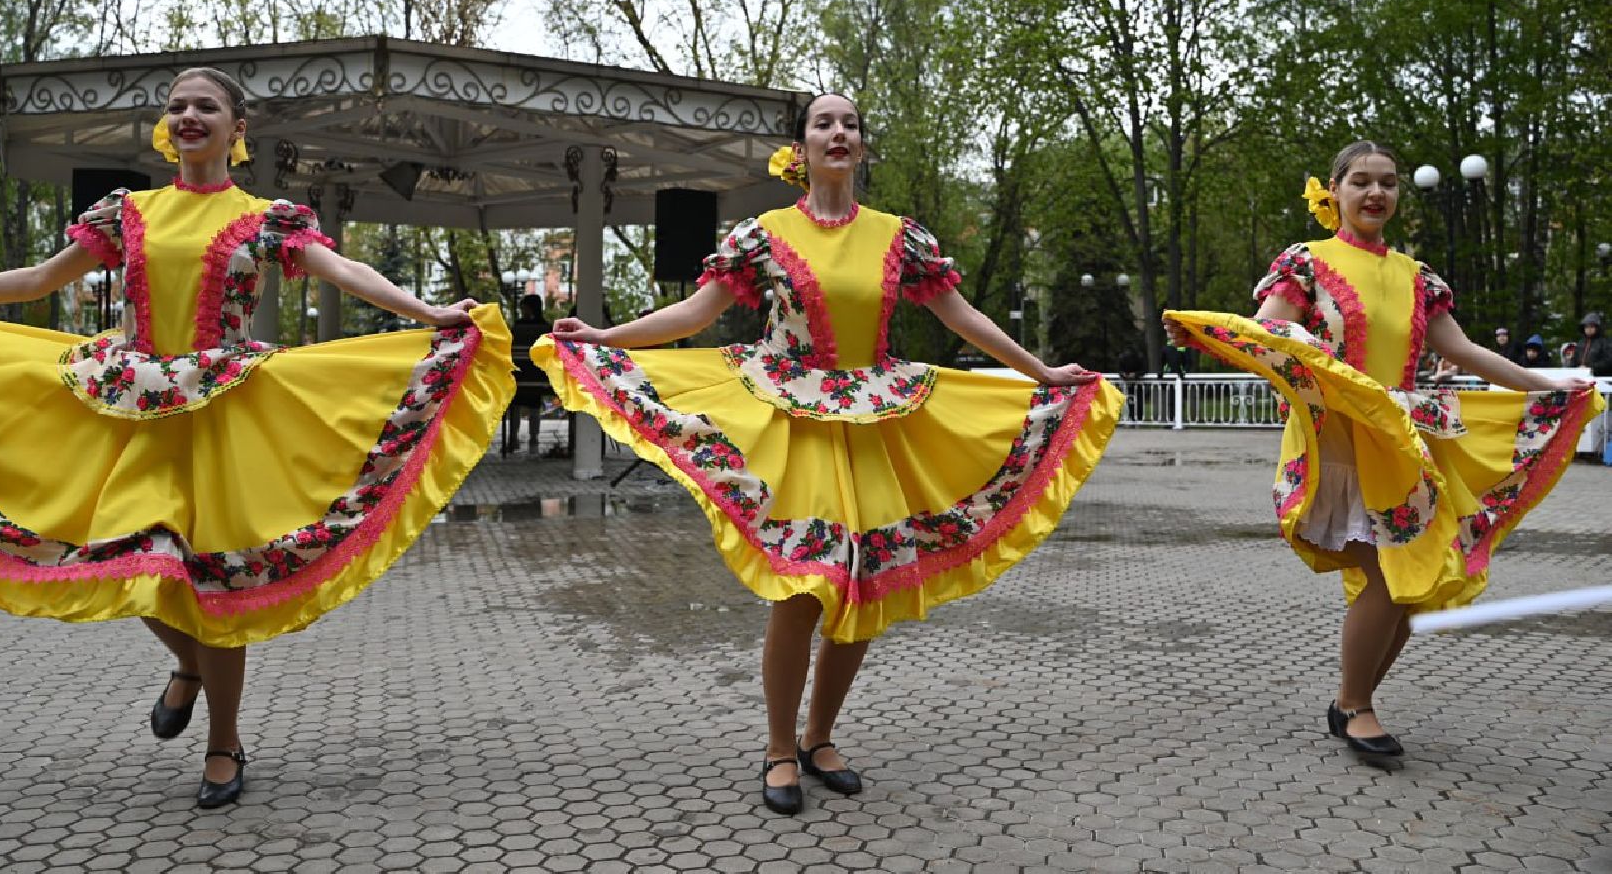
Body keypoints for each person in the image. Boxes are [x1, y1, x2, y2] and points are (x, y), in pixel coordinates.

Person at [534, 94, 1123, 815]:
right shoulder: (761, 234)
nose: (837, 133)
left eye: (848, 124)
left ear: (861, 147)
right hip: (789, 418)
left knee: (864, 584)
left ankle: (820, 738)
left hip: (875, 419)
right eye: (822, 123)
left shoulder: (899, 237)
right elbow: (698, 313)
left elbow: (960, 317)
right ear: (801, 148)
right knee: (804, 588)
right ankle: (779, 748)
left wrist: (1040, 373)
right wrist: (605, 337)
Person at [0, 67, 514, 808]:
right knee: (123, 564)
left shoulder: (266, 217)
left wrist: (427, 311)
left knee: (210, 579)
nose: (188, 116)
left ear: (238, 129)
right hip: (134, 407)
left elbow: (344, 270)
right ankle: (193, 669)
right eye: (177, 107)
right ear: (165, 127)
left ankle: (223, 742)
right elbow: (42, 279)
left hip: (224, 413)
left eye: (206, 106)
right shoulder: (127, 212)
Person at [1163, 140, 1600, 761]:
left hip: (1406, 439)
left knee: (1412, 583)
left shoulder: (1417, 277)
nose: (1376, 194)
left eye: (1388, 183)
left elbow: (1467, 353)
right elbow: (1267, 329)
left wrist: (1549, 384)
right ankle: (1356, 706)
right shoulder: (1306, 263)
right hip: (1341, 440)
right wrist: (1215, 333)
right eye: (1362, 181)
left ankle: (1351, 700)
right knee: (1386, 576)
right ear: (1334, 191)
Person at [505, 293, 553, 453]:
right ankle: (534, 438)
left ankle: (513, 438)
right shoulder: (546, 328)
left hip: (519, 377)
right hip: (540, 378)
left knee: (515, 404)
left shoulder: (517, 328)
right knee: (534, 405)